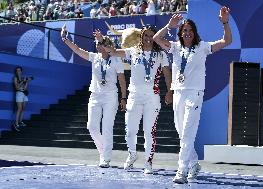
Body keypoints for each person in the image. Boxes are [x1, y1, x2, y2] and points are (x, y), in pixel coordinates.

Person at [153, 7, 232, 184]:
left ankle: (182, 170)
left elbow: (227, 40)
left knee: (188, 132)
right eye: (184, 30)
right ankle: (194, 163)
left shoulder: (203, 47)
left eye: (190, 30)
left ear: (195, 33)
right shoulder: (174, 48)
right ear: (180, 32)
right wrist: (169, 25)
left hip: (194, 94)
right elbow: (156, 39)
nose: (187, 33)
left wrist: (225, 22)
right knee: (182, 134)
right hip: (178, 93)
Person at [101, 25, 172, 174]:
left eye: (151, 36)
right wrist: (102, 41)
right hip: (134, 96)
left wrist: (170, 91)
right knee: (130, 131)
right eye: (145, 35)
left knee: (149, 132)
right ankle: (132, 154)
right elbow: (113, 52)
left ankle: (148, 162)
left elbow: (167, 74)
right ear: (141, 36)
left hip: (152, 97)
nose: (148, 38)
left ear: (154, 37)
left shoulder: (161, 55)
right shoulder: (133, 51)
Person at [61, 25, 127, 168]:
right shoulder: (94, 57)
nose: (97, 45)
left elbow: (122, 80)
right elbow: (77, 50)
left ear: (106, 45)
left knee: (107, 127)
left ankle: (106, 158)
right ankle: (103, 152)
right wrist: (65, 39)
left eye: (100, 43)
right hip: (95, 96)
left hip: (110, 96)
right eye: (97, 43)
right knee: (91, 126)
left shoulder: (116, 59)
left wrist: (123, 97)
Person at [13, 66, 32, 131]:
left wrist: (27, 82)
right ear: (16, 72)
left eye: (19, 70)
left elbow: (25, 88)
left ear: (21, 71)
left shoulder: (22, 78)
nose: (18, 71)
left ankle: (20, 122)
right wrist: (22, 82)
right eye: (17, 70)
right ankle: (16, 124)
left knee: (23, 108)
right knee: (19, 108)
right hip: (19, 94)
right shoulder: (15, 78)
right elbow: (17, 88)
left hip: (24, 94)